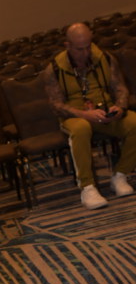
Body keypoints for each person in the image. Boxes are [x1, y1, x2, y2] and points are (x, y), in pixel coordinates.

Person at [43, 22, 136, 209]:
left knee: (134, 123)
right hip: (75, 116)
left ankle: (120, 175)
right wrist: (84, 114)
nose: (86, 53)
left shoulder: (105, 58)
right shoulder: (54, 69)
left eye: (88, 46)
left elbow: (120, 88)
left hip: (104, 112)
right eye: (80, 49)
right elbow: (56, 105)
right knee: (81, 129)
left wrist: (119, 107)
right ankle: (87, 187)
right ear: (68, 45)